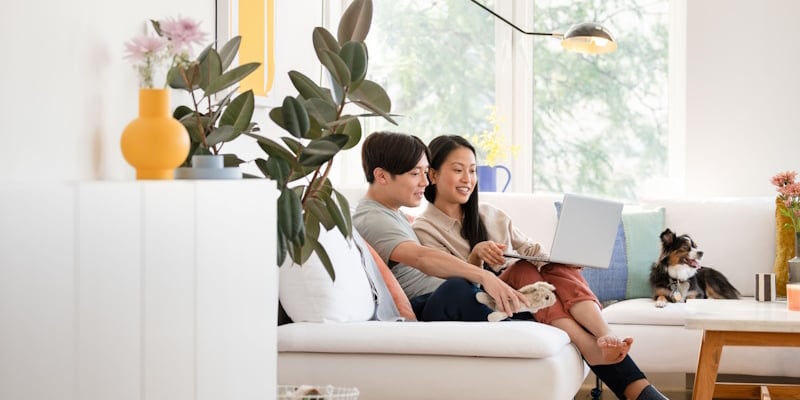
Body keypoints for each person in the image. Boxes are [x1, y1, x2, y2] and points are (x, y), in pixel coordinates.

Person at [411, 134, 668, 400]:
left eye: (473, 170)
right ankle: (600, 354)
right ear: (433, 175)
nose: (468, 179)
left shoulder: (491, 214)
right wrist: (476, 257)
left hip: (527, 301)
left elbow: (533, 252)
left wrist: (564, 260)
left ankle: (611, 344)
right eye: (457, 170)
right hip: (482, 305)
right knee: (523, 269)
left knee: (552, 268)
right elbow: (448, 289)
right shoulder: (424, 228)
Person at [353, 131, 528, 322]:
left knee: (519, 284)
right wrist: (484, 276)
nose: (425, 182)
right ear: (382, 176)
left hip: (443, 297)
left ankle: (527, 321)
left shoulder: (392, 212)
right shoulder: (372, 218)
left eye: (425, 172)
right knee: (457, 288)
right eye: (414, 173)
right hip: (426, 303)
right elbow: (421, 257)